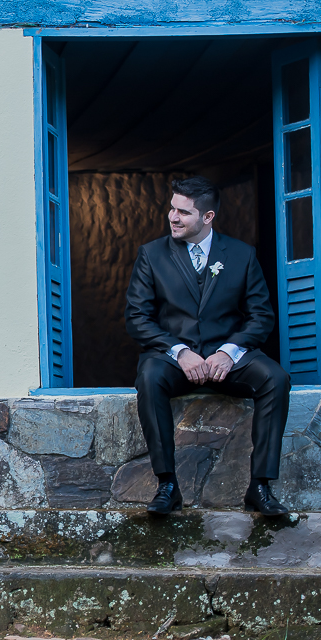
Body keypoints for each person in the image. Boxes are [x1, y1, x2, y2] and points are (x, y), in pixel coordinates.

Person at [125, 176, 291, 517]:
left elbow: (261, 317)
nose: (173, 217)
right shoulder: (152, 255)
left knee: (275, 378)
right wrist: (180, 352)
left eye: (183, 212)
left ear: (208, 217)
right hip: (174, 360)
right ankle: (167, 484)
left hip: (226, 360)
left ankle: (259, 486)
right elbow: (137, 318)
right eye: (172, 208)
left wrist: (229, 352)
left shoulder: (242, 255)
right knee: (149, 377)